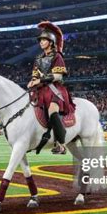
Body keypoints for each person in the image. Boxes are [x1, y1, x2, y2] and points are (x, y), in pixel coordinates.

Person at [27, 21, 75, 154]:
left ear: (51, 41)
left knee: (52, 111)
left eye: (44, 39)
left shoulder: (57, 56)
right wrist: (32, 82)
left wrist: (40, 80)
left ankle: (61, 144)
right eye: (40, 40)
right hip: (41, 90)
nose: (41, 42)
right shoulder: (38, 59)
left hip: (55, 89)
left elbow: (58, 76)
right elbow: (35, 76)